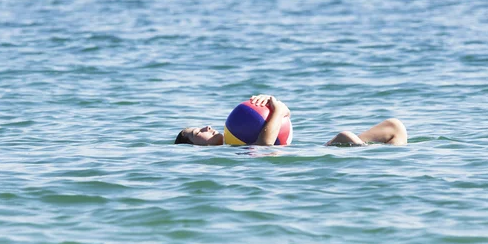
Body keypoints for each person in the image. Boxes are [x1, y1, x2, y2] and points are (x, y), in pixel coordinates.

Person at [174, 95, 408, 146]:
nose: (206, 127)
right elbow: (264, 147)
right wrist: (278, 109)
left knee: (395, 126)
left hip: (315, 150)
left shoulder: (235, 133)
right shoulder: (229, 153)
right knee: (345, 137)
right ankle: (371, 162)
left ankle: (388, 171)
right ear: (196, 148)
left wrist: (282, 113)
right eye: (197, 132)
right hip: (319, 156)